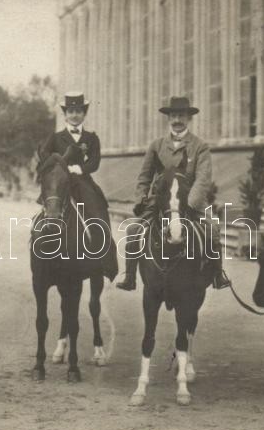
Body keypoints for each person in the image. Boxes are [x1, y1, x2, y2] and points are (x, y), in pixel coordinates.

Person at [115, 96, 230, 291]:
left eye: (182, 116)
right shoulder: (157, 145)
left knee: (212, 229)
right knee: (133, 230)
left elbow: (203, 179)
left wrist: (189, 203)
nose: (177, 120)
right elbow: (144, 176)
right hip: (161, 202)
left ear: (189, 119)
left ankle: (218, 274)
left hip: (191, 201)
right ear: (168, 118)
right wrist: (141, 198)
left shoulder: (199, 146)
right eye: (174, 116)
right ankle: (130, 277)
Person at [38, 91, 118, 280]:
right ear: (65, 114)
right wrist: (57, 167)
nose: (74, 115)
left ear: (84, 114)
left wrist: (79, 169)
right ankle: (40, 253)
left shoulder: (91, 138)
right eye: (71, 111)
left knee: (98, 213)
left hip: (82, 183)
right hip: (59, 183)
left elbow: (95, 162)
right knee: (45, 213)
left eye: (78, 111)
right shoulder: (55, 137)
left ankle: (106, 259)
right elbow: (44, 158)